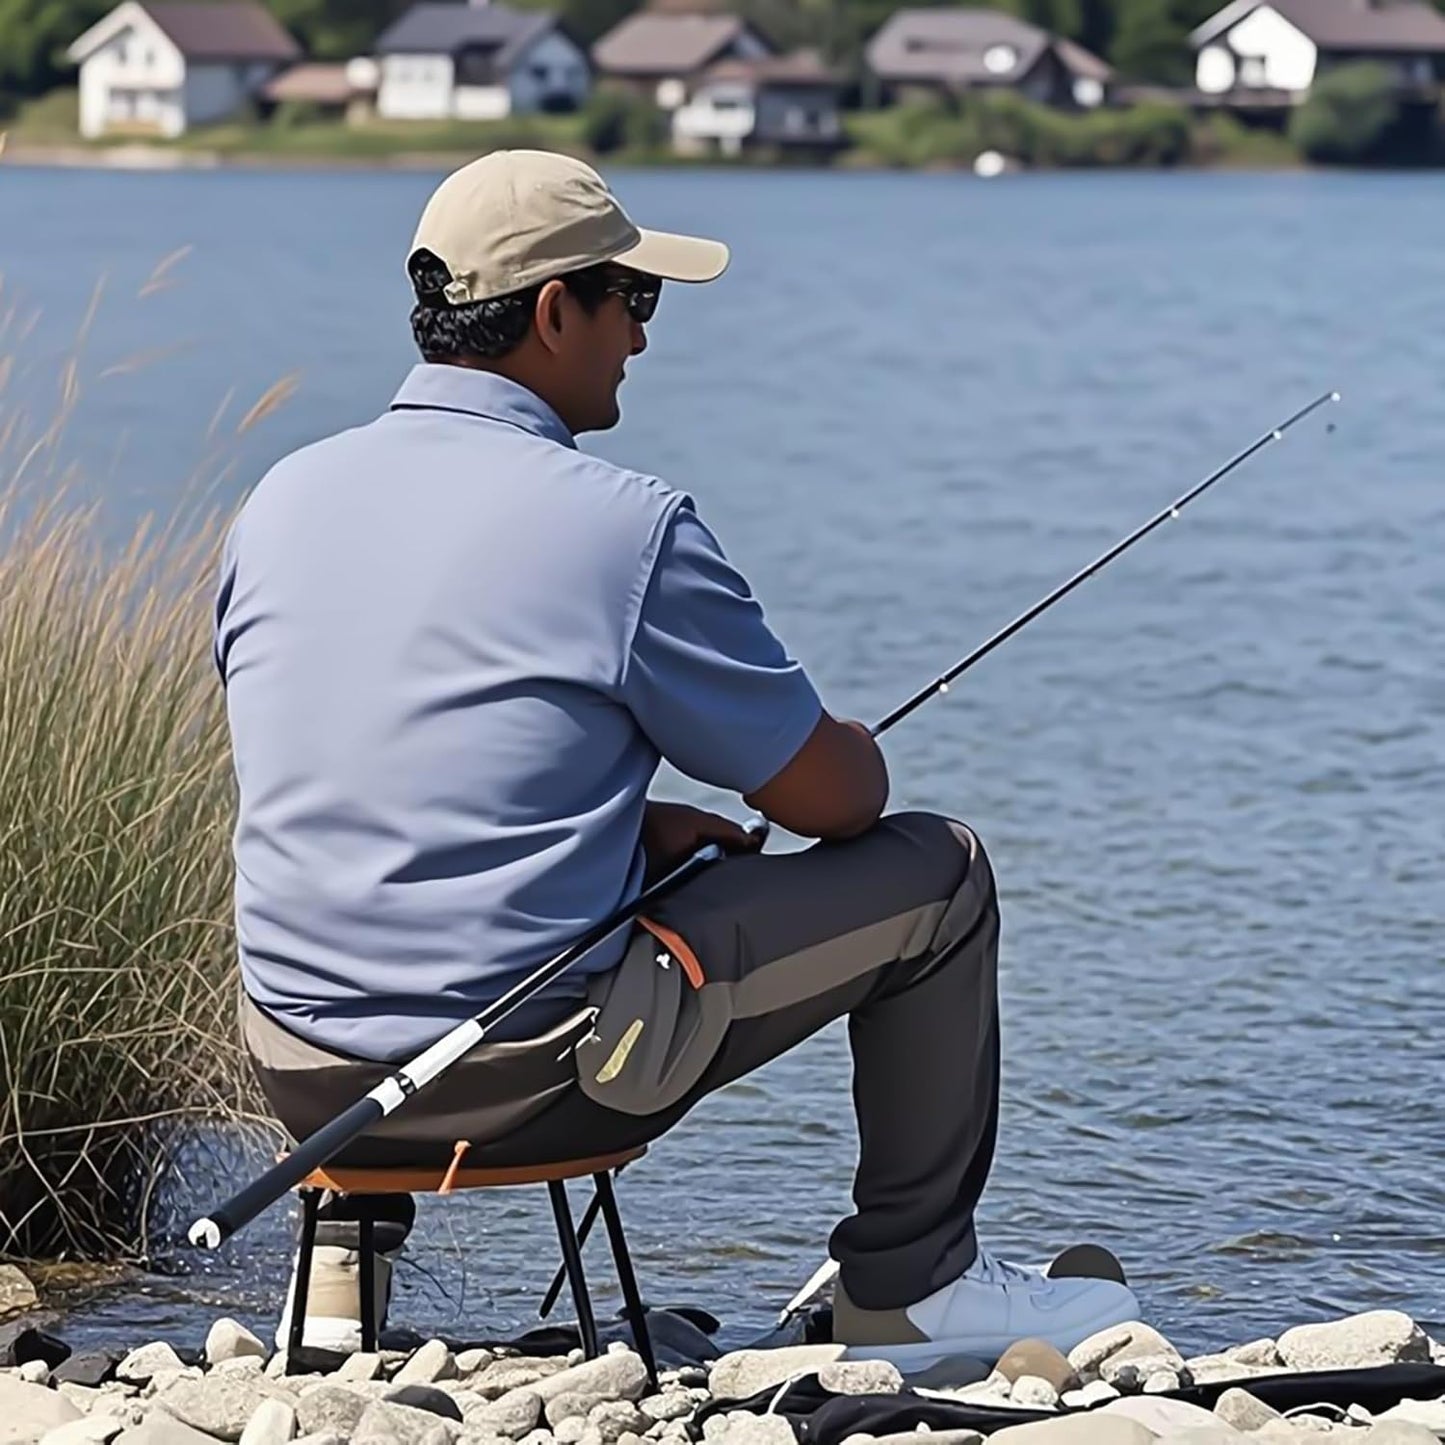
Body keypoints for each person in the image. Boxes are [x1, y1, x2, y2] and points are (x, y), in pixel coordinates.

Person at [214, 150, 1138, 1370]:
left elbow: (361, 770)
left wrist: (625, 825)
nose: (640, 343)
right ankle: (914, 1287)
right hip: (525, 1079)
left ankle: (340, 1276)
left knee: (370, 905)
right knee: (942, 873)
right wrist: (834, 750)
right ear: (554, 310)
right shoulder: (621, 524)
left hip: (299, 1076)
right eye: (631, 302)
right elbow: (837, 799)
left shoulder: (279, 499)